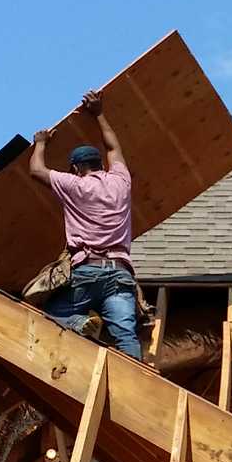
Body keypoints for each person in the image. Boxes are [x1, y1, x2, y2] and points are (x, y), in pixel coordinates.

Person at [27, 90, 141, 359]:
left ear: (77, 168)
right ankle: (139, 380)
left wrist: (41, 143)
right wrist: (99, 112)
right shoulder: (120, 182)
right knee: (126, 335)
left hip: (87, 272)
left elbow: (36, 170)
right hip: (121, 274)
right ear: (100, 163)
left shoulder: (74, 185)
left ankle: (80, 324)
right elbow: (114, 147)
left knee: (53, 312)